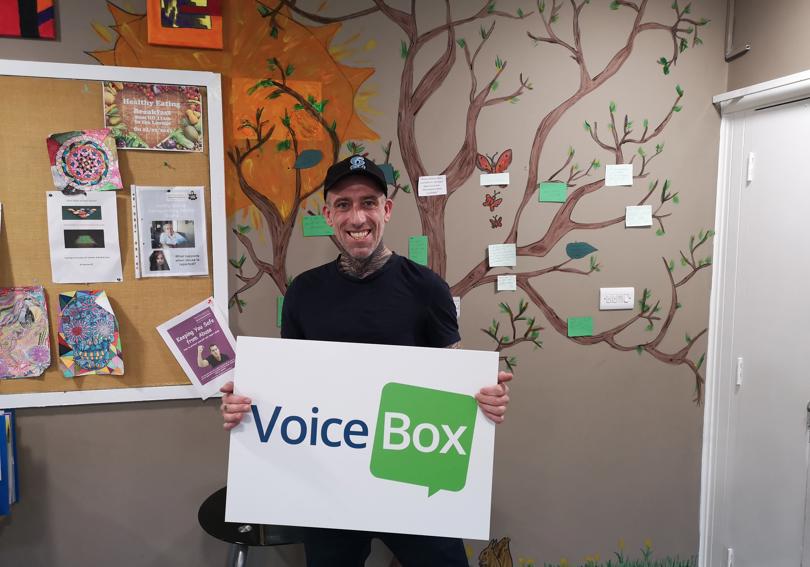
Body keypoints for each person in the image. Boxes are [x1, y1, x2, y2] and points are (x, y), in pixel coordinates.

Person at [219, 155, 512, 567]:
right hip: (330, 481)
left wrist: (483, 397)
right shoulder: (304, 292)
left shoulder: (427, 289)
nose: (357, 217)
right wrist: (247, 405)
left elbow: (453, 378)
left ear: (387, 210)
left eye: (369, 202)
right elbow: (292, 388)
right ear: (328, 214)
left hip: (411, 470)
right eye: (343, 204)